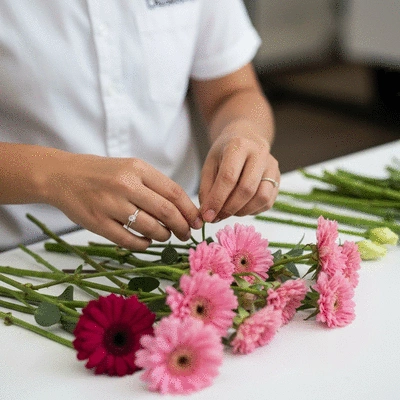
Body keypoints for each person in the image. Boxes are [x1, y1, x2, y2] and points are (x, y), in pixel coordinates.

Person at [0, 0, 279, 252]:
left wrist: (245, 134)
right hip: (24, 249)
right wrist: (57, 177)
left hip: (174, 242)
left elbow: (233, 92)